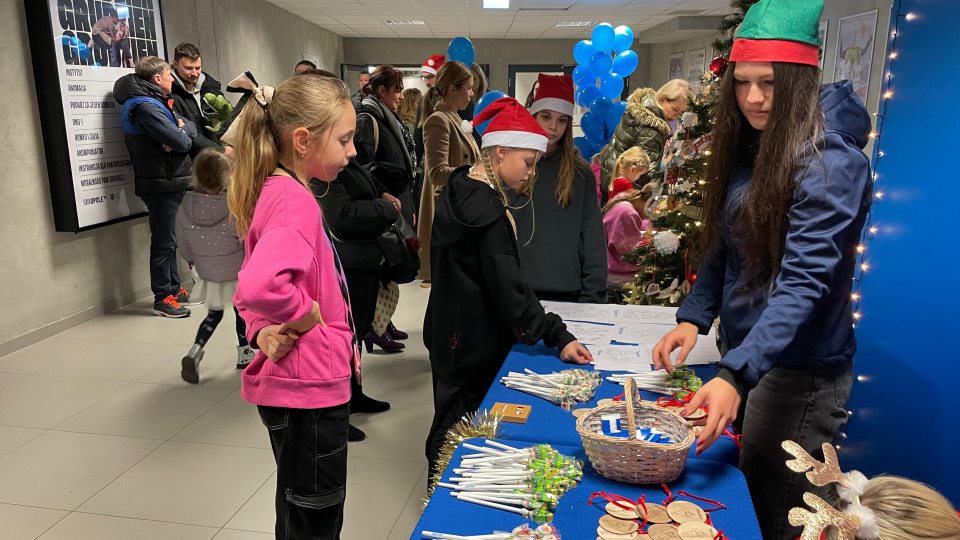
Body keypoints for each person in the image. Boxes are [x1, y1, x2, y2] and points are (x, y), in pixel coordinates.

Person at [651, 0, 873, 537]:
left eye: (769, 83)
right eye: (742, 82)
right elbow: (727, 245)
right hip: (753, 357)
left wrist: (735, 374)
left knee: (781, 515)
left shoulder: (832, 162)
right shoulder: (759, 145)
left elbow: (803, 284)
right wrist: (693, 316)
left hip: (799, 372)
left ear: (799, 80)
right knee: (746, 495)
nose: (752, 97)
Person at [424, 97, 593, 479]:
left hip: (447, 331)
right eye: (528, 162)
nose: (532, 172)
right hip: (473, 341)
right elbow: (510, 292)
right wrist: (556, 334)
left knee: (447, 415)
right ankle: (442, 498)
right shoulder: (490, 216)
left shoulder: (460, 186)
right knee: (457, 430)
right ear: (500, 153)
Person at [229, 73, 358, 540]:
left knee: (295, 503)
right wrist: (305, 316)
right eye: (344, 140)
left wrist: (262, 330)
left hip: (291, 380)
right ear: (303, 140)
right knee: (315, 514)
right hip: (310, 387)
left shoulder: (271, 190)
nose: (353, 152)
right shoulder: (294, 202)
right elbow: (261, 286)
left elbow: (251, 291)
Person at [313, 158, 397, 442]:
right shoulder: (322, 168)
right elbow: (341, 215)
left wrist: (380, 195)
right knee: (342, 339)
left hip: (360, 260)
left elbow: (363, 188)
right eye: (345, 138)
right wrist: (385, 208)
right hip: (346, 263)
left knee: (356, 334)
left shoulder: (341, 160)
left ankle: (353, 394)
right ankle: (337, 410)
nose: (352, 147)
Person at [508, 74, 607, 303]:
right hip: (516, 293)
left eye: (562, 120)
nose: (553, 126)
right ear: (533, 115)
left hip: (567, 293)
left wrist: (593, 296)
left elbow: (593, 241)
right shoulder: (511, 166)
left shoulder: (581, 173)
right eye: (546, 117)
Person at [115, 56, 200, 317]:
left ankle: (174, 289)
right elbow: (184, 143)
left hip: (169, 180)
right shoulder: (144, 107)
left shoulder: (156, 101)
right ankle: (162, 298)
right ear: (156, 79)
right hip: (159, 182)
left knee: (170, 240)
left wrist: (181, 131)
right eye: (169, 75)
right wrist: (179, 134)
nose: (173, 79)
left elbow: (191, 129)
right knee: (163, 242)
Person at [176, 149, 254, 383]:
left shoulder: (185, 206)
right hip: (236, 269)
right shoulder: (234, 204)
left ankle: (195, 350)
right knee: (242, 313)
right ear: (227, 175)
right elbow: (246, 237)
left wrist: (193, 260)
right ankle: (245, 355)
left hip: (208, 272)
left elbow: (182, 242)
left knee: (214, 314)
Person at [355, 65, 416, 352]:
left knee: (392, 267)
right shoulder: (368, 118)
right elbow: (365, 166)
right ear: (382, 91)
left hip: (397, 200)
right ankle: (374, 328)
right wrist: (383, 195)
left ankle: (384, 321)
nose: (401, 96)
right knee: (385, 267)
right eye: (397, 90)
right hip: (384, 203)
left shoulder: (387, 116)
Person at [416, 61, 478, 287]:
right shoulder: (438, 120)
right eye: (468, 88)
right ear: (453, 89)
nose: (471, 94)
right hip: (448, 211)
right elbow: (437, 173)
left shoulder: (453, 117)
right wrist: (475, 173)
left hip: (460, 207)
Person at [599, 79, 692, 193]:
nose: (676, 115)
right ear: (663, 100)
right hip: (623, 189)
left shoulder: (642, 109)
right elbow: (648, 173)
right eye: (675, 109)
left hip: (613, 180)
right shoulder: (651, 128)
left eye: (680, 113)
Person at [170, 43, 226, 157]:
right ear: (175, 64)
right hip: (190, 161)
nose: (195, 73)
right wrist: (220, 151)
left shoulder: (211, 86)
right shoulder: (169, 93)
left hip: (217, 157)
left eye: (198, 68)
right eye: (188, 68)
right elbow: (185, 134)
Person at [602, 182, 656, 287]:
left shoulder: (622, 202)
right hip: (614, 273)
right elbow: (630, 253)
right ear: (650, 204)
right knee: (654, 279)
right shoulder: (627, 213)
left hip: (606, 265)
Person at [413, 55, 446, 218]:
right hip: (430, 167)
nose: (426, 82)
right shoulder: (426, 101)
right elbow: (418, 140)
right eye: (424, 78)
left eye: (430, 77)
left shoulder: (454, 100)